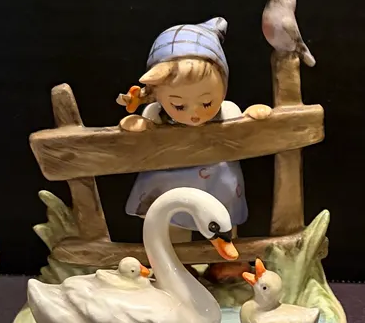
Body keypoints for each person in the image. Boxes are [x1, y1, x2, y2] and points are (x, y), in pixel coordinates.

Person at [115, 17, 271, 282]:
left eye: (207, 102)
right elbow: (142, 126)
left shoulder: (227, 111)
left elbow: (242, 124)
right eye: (178, 105)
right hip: (172, 181)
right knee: (173, 221)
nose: (195, 114)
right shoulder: (155, 113)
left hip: (219, 181)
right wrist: (138, 125)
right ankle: (178, 263)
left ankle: (226, 263)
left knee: (224, 221)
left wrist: (252, 116)